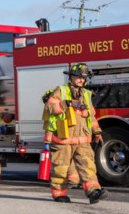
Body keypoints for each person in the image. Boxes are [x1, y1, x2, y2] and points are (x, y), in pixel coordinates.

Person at [44, 63, 108, 204]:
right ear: (71, 77)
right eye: (78, 77)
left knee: (88, 167)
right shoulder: (61, 91)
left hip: (83, 140)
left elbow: (90, 116)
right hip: (63, 139)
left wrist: (97, 132)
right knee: (60, 169)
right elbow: (49, 107)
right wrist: (67, 104)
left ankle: (93, 192)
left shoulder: (86, 94)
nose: (81, 80)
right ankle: (59, 194)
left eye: (83, 78)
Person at [42, 87, 81, 188]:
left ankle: (62, 180)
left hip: (58, 139)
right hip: (67, 136)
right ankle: (74, 179)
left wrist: (47, 142)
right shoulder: (62, 110)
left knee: (58, 161)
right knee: (70, 159)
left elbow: (50, 128)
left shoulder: (52, 114)